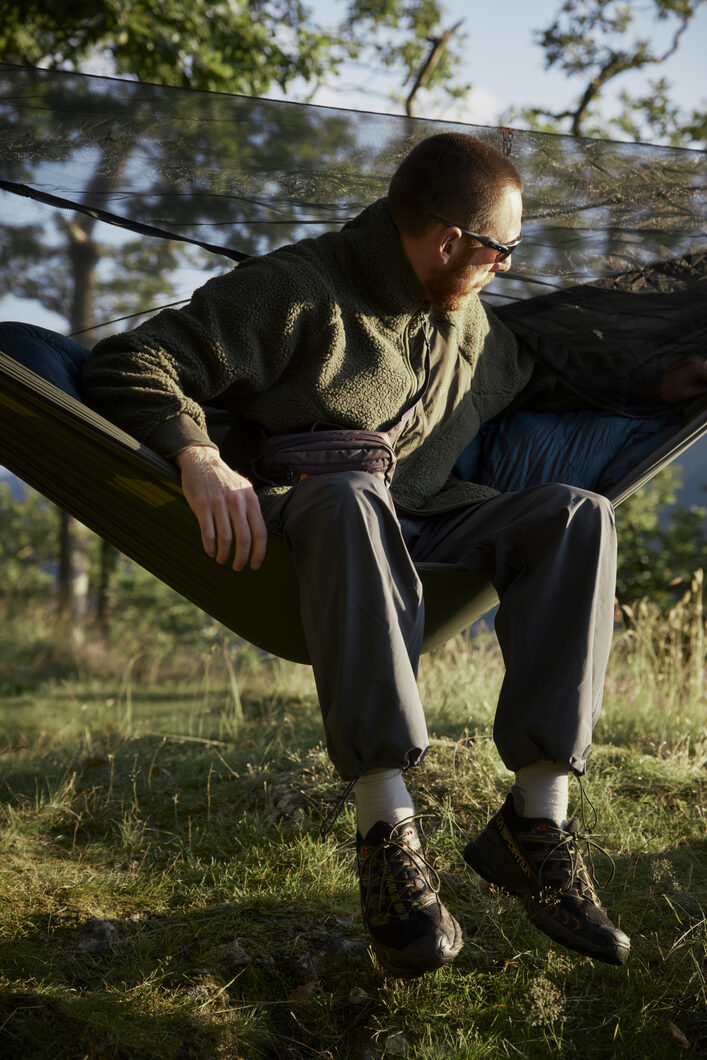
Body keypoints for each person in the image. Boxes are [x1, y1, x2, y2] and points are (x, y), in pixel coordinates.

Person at [82, 132, 707, 979]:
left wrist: (658, 386)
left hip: (428, 523)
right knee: (348, 492)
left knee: (578, 515)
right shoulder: (297, 291)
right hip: (311, 525)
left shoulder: (471, 325)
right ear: (450, 241)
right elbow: (135, 359)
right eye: (500, 253)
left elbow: (548, 373)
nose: (505, 271)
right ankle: (384, 829)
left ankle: (536, 819)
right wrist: (198, 457)